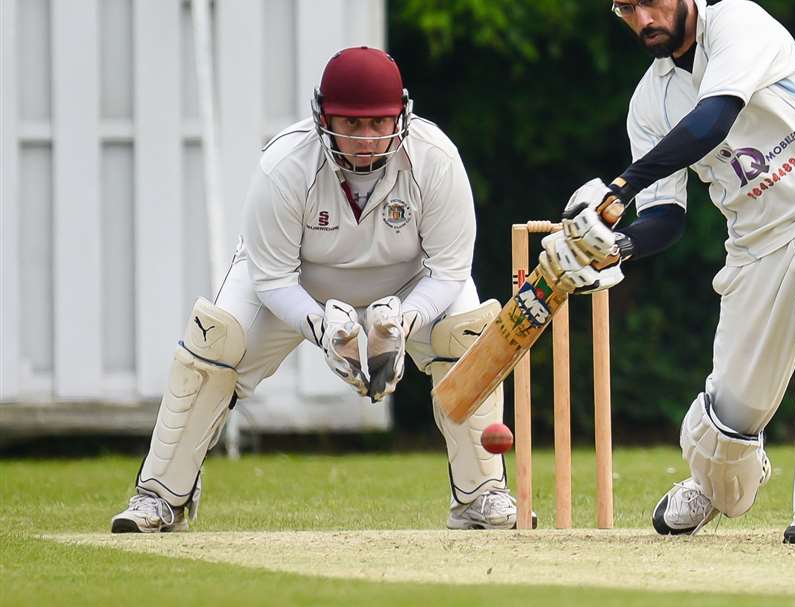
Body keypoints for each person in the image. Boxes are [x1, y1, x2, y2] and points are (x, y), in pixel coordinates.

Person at [539, 0, 795, 544]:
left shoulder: (738, 24)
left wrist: (617, 190)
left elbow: (714, 120)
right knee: (732, 415)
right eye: (626, 9)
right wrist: (618, 246)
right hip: (759, 246)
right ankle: (714, 485)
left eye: (651, 0)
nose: (643, 20)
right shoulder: (648, 102)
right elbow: (667, 218)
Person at [111, 47, 517, 533]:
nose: (366, 139)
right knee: (215, 342)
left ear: (402, 115)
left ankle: (481, 496)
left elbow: (450, 270)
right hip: (299, 282)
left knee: (467, 337)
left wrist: (402, 321)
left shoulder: (436, 160)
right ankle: (159, 496)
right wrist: (325, 326)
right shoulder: (284, 164)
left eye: (379, 123)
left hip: (408, 283)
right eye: (351, 123)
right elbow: (272, 277)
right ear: (323, 116)